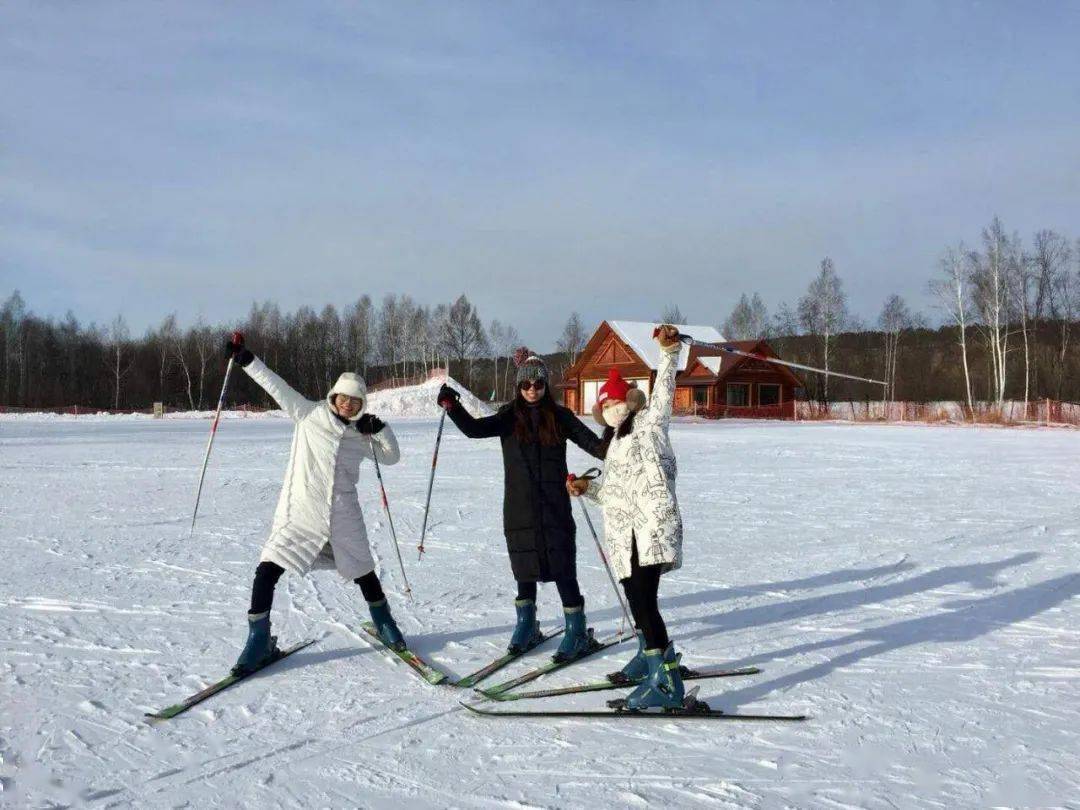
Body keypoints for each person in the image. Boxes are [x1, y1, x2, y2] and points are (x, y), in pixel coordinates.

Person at [225, 336, 406, 675]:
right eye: (344, 398)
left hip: (343, 517)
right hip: (301, 515)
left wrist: (381, 429)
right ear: (333, 396)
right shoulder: (308, 414)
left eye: (356, 401)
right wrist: (246, 359)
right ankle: (257, 639)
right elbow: (275, 385)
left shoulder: (360, 435)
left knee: (364, 573)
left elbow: (391, 457)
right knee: (267, 570)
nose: (349, 405)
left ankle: (385, 624)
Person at [436, 351, 609, 662]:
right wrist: (453, 406)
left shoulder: (561, 417)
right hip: (519, 506)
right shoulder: (508, 416)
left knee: (562, 566)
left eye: (538, 383)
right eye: (526, 384)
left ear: (545, 385)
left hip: (554, 506)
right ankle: (526, 625)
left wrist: (618, 428)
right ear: (518, 386)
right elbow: (475, 429)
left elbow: (598, 448)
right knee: (524, 567)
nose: (532, 389)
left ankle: (577, 630)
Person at [567, 324, 687, 709]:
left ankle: (666, 681)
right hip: (625, 534)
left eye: (617, 403)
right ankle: (652, 662)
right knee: (637, 599)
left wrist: (668, 353)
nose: (612, 409)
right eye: (605, 406)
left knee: (645, 600)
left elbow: (665, 392)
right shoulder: (614, 445)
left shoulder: (650, 425)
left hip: (650, 527)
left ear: (631, 402)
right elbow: (614, 495)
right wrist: (588, 491)